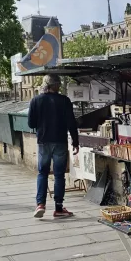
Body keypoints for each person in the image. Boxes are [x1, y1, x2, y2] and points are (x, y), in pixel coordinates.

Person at [27, 74, 78, 218]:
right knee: (59, 175)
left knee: (42, 173)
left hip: (43, 141)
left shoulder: (35, 100)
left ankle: (40, 204)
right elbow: (71, 123)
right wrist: (76, 142)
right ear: (55, 86)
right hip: (60, 141)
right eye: (59, 84)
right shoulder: (64, 101)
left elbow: (31, 124)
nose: (60, 86)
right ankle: (59, 208)